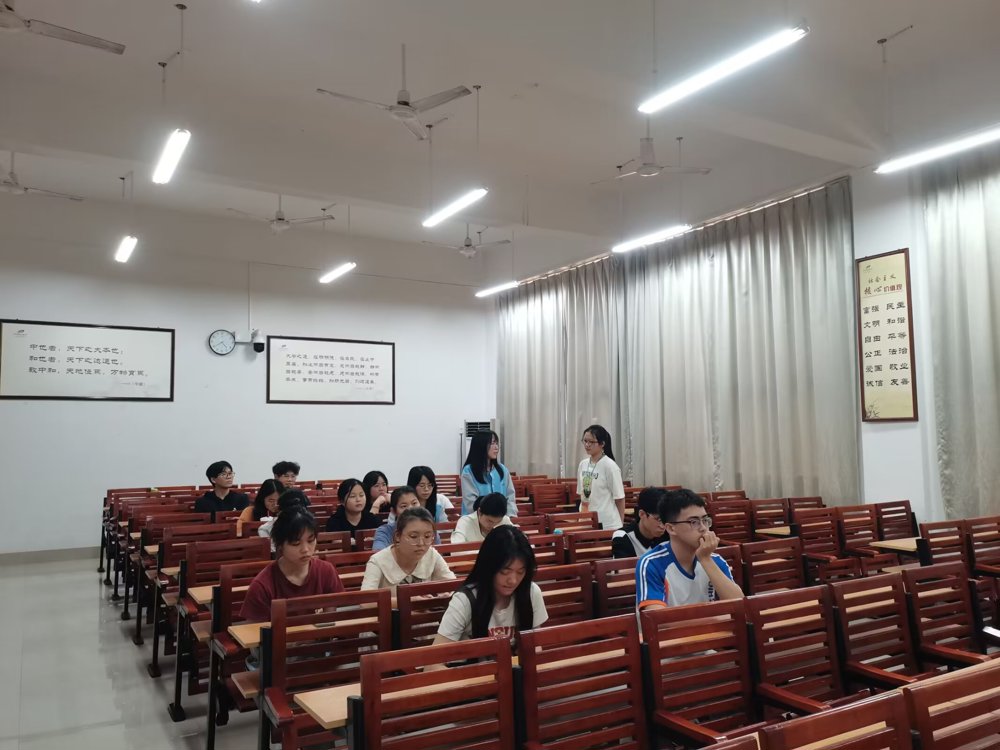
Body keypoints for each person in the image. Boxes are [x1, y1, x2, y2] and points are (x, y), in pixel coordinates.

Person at [432, 525, 547, 649]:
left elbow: (536, 647)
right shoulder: (465, 600)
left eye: (520, 572)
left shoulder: (531, 592)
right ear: (488, 567)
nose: (513, 581)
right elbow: (436, 657)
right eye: (504, 571)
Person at [636, 489, 743, 610]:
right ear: (671, 528)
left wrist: (705, 560)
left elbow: (739, 606)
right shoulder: (652, 563)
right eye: (694, 522)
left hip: (710, 623)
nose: (703, 528)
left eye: (705, 520)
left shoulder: (715, 560)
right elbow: (656, 617)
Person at [240, 506, 344, 623]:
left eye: (310, 541)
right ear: (280, 546)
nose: (305, 549)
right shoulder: (262, 585)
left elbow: (331, 622)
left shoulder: (326, 571)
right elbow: (254, 631)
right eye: (296, 543)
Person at [360, 507, 455, 594]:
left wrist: (445, 596)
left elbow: (454, 586)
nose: (421, 543)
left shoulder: (432, 554)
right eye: (413, 536)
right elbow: (366, 601)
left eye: (427, 536)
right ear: (398, 536)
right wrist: (407, 601)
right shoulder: (378, 561)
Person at [577, 425, 626, 531]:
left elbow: (619, 498)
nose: (587, 445)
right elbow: (582, 494)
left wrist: (620, 526)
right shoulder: (583, 464)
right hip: (586, 520)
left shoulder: (610, 466)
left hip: (607, 523)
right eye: (585, 441)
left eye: (591, 442)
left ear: (602, 444)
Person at [461, 430, 517, 517]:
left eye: (497, 443)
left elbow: (510, 497)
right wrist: (490, 519)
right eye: (492, 443)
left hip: (501, 519)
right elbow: (470, 503)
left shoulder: (502, 469)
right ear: (481, 445)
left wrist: (510, 517)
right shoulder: (468, 471)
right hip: (476, 520)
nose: (496, 447)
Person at [612, 486, 668, 558]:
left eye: (666, 519)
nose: (663, 526)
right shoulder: (623, 537)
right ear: (642, 514)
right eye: (659, 519)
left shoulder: (669, 532)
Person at [372, 486, 427, 551]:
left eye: (414, 503)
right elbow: (378, 553)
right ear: (394, 511)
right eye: (404, 506)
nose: (411, 509)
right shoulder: (385, 531)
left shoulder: (428, 527)